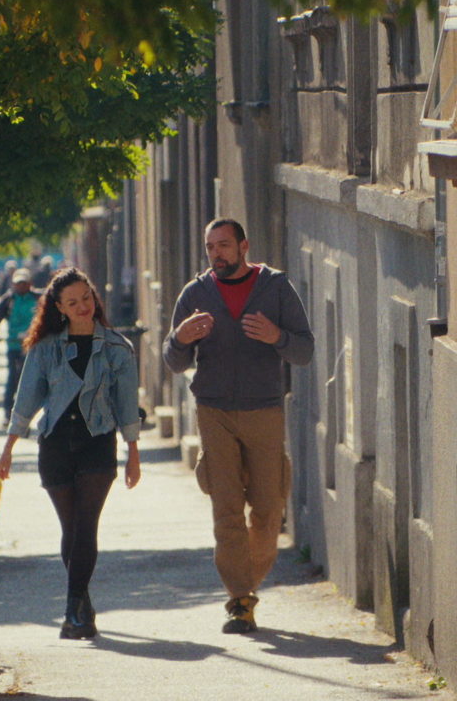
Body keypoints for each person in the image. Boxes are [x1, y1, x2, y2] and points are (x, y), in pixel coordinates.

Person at [163, 218, 314, 634]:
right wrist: (180, 339)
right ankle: (240, 600)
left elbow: (304, 351)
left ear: (244, 247)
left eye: (224, 245)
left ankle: (247, 583)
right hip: (213, 411)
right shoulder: (196, 294)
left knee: (268, 511)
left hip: (264, 410)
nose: (217, 253)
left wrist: (276, 336)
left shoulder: (275, 288)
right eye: (211, 247)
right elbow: (174, 362)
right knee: (226, 510)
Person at [0, 267, 142, 640]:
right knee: (71, 528)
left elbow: (127, 404)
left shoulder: (117, 348)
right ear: (59, 307)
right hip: (56, 445)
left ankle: (71, 609)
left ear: (94, 297)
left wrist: (133, 452)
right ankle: (83, 605)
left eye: (86, 298)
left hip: (98, 443)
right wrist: (8, 448)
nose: (82, 307)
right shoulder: (45, 348)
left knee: (86, 526)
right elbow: (26, 398)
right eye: (72, 302)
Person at [0, 269, 42, 419]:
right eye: (18, 283)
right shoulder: (8, 299)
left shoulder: (38, 298)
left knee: (30, 380)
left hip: (32, 346)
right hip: (14, 345)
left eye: (24, 283)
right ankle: (8, 411)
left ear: (30, 283)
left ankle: (27, 414)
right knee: (12, 378)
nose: (21, 286)